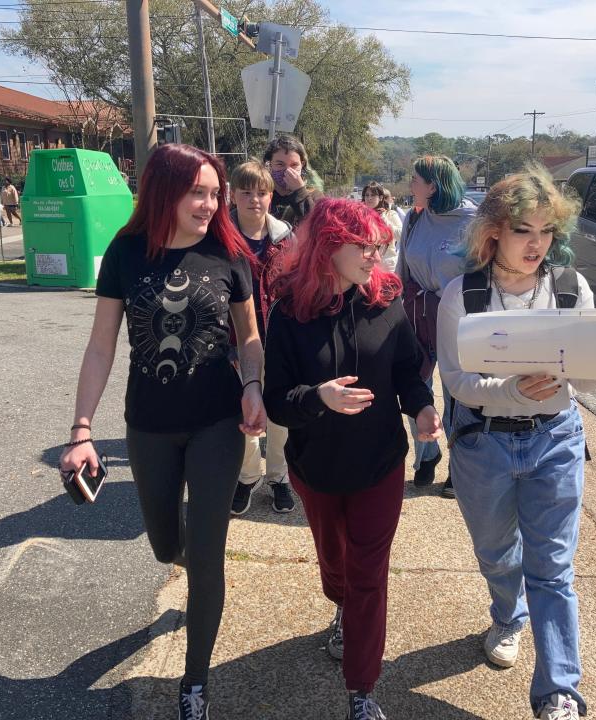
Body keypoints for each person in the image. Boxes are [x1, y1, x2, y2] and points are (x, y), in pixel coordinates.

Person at [58, 144, 266, 720]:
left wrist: (252, 384)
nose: (210, 203)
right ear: (163, 192)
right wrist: (81, 429)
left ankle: (194, 683)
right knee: (164, 545)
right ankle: (182, 552)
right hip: (147, 424)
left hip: (217, 421)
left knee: (206, 555)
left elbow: (249, 336)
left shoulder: (229, 252)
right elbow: (101, 346)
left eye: (214, 192)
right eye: (197, 192)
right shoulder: (127, 254)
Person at [436, 165, 596, 720]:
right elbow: (456, 381)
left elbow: (588, 368)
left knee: (552, 568)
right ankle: (508, 615)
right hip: (484, 447)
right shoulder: (463, 295)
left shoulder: (571, 289)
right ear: (494, 231)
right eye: (524, 229)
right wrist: (510, 388)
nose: (537, 243)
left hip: (555, 440)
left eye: (546, 231)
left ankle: (558, 692)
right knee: (496, 554)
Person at [263, 198, 442, 720]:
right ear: (327, 246)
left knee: (369, 573)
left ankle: (362, 690)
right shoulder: (289, 313)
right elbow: (276, 399)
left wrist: (424, 407)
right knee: (335, 564)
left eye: (379, 245)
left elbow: (409, 370)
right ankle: (339, 601)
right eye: (362, 246)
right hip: (316, 468)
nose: (374, 255)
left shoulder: (386, 300)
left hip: (379, 464)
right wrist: (317, 397)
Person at [394, 155, 476, 496]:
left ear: (434, 185)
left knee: (459, 397)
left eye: (415, 179)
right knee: (416, 386)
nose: (409, 184)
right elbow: (402, 268)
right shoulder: (415, 219)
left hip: (460, 320)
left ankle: (460, 468)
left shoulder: (474, 221)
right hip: (418, 316)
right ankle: (426, 456)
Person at [228, 160, 296, 515]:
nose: (255, 199)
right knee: (245, 413)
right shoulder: (219, 236)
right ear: (233, 194)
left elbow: (297, 286)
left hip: (278, 339)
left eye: (262, 192)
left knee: (279, 414)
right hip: (234, 339)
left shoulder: (285, 236)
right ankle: (247, 477)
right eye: (246, 192)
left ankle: (279, 477)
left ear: (271, 196)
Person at [262, 135, 321, 228]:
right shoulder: (261, 195)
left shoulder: (314, 196)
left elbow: (318, 226)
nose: (287, 170)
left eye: (294, 165)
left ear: (302, 165)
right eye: (280, 164)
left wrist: (300, 192)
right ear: (269, 165)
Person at [360, 181, 402, 272]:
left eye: (373, 195)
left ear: (381, 197)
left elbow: (401, 235)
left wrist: (383, 219)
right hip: (366, 265)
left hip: (386, 265)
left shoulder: (390, 214)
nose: (369, 198)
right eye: (367, 195)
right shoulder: (361, 216)